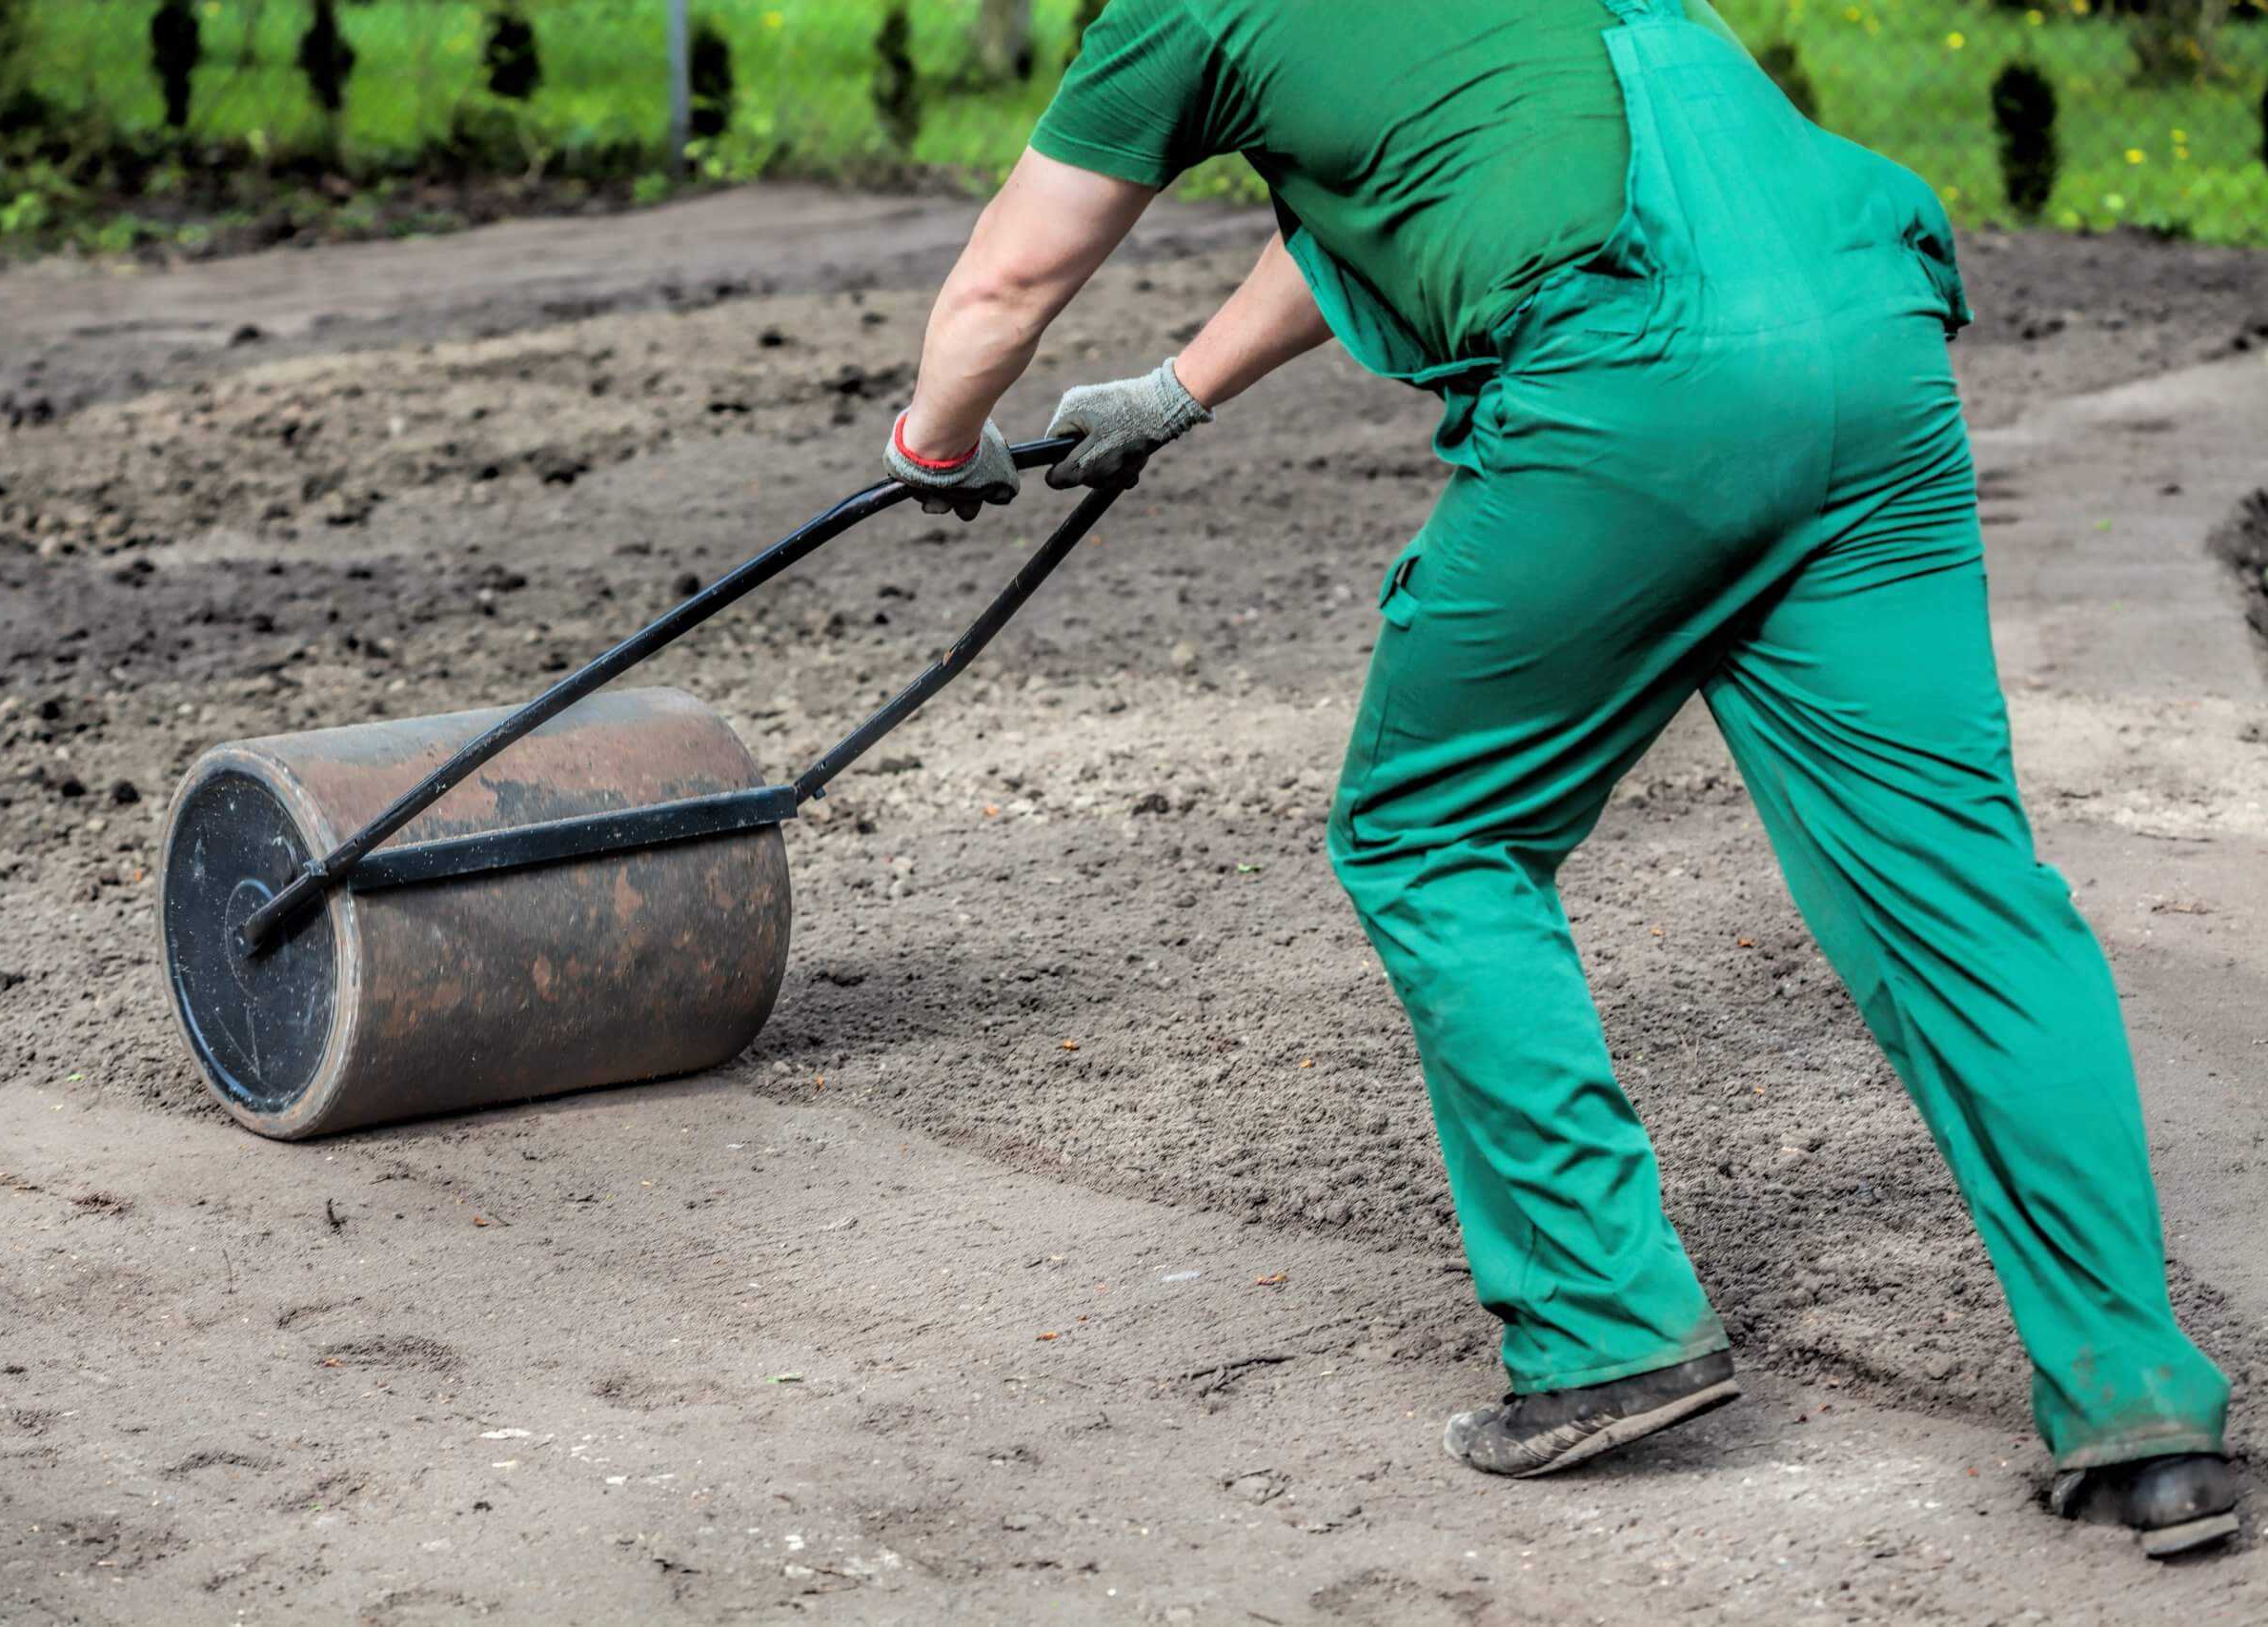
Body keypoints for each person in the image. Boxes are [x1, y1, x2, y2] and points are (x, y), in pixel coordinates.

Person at [881, 0, 2237, 1557]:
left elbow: (1012, 271)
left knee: (1431, 829)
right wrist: (1180, 391)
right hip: (1868, 341)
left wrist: (936, 439)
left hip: (1636, 376)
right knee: (1959, 889)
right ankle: (2142, 1407)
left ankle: (1604, 1331)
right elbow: (1407, 179)